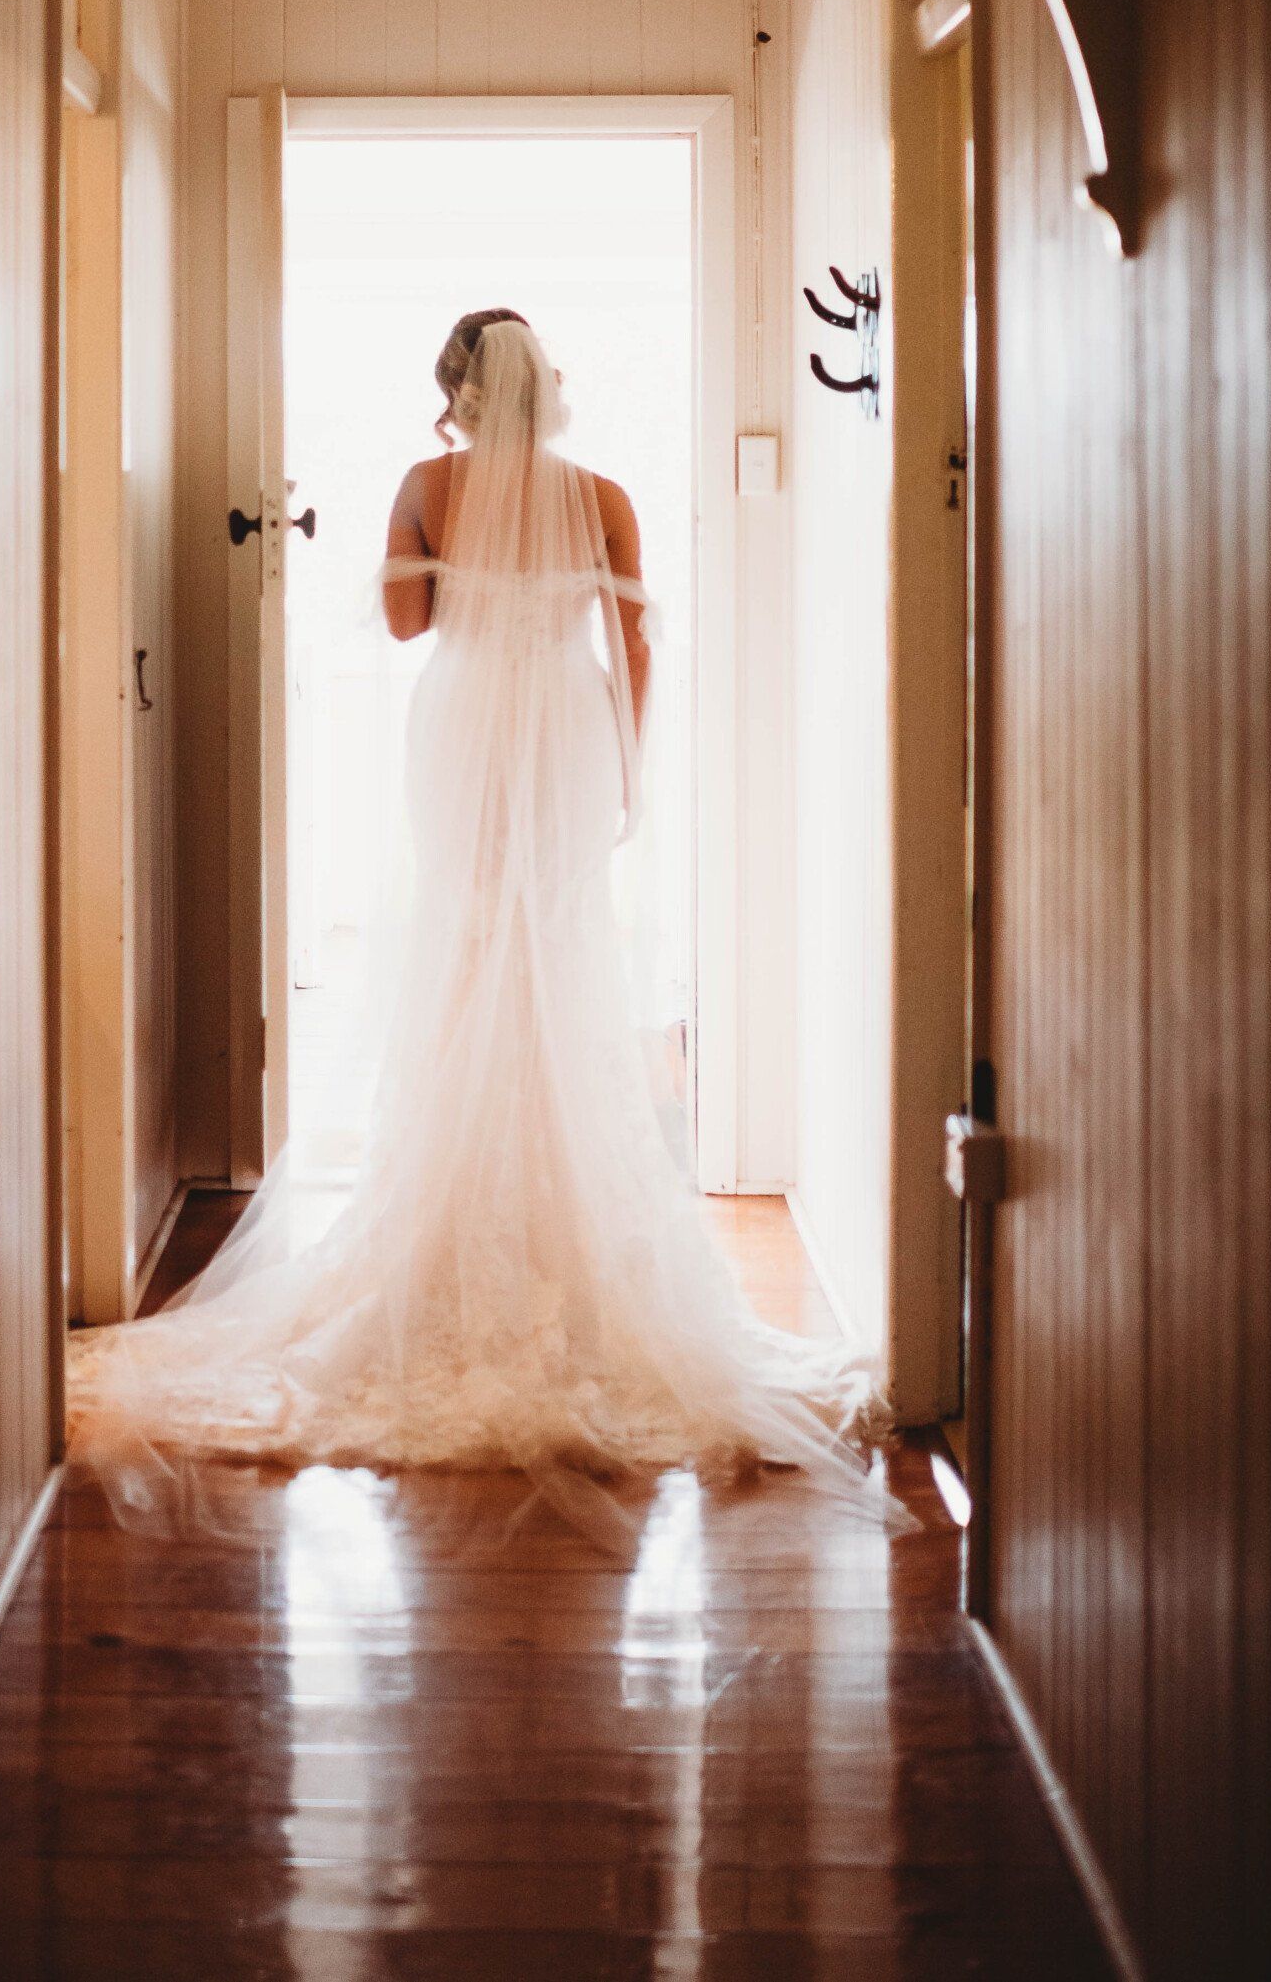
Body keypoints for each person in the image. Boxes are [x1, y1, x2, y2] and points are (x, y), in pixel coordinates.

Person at [68, 312, 898, 1529]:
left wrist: (439, 549)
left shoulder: (425, 484)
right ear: (545, 390)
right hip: (564, 725)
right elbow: (633, 639)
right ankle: (567, 1205)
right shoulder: (603, 494)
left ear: (455, 392)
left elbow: (409, 626)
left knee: (461, 944)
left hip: (461, 728)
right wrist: (627, 757)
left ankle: (446, 1205)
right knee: (560, 946)